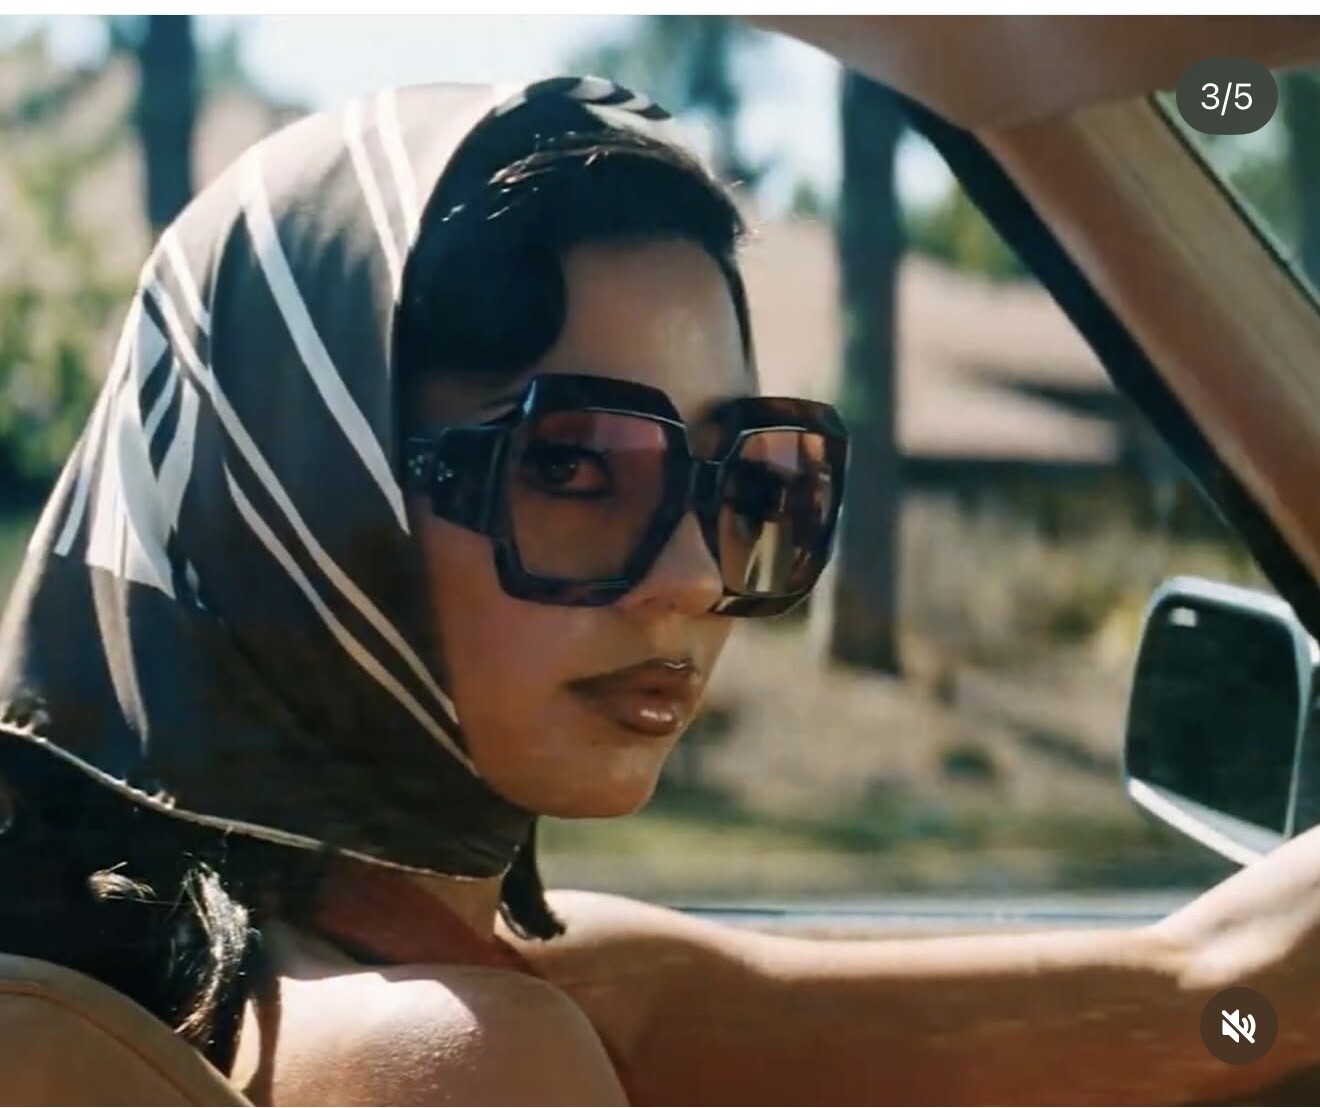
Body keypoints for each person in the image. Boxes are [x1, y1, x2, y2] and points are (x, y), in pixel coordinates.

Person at [2, 75, 1320, 1107]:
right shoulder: (455, 1056)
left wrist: (1227, 989)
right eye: (574, 467)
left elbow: (1195, 997)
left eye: (746, 479)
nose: (693, 578)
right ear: (299, 490)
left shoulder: (382, 972)